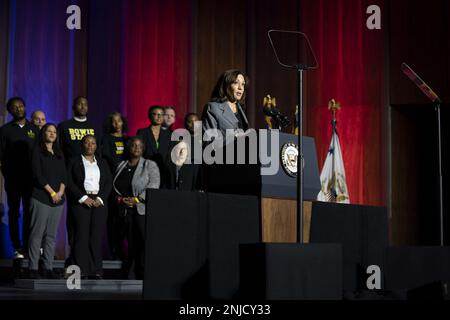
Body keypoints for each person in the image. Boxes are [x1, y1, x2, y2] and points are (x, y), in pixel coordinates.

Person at [57, 96, 97, 268]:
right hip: (72, 178)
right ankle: (73, 257)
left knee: (91, 225)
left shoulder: (94, 127)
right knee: (74, 221)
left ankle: (88, 260)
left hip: (92, 179)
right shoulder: (64, 126)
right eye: (79, 104)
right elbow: (60, 152)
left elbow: (99, 153)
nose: (83, 106)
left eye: (85, 104)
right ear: (73, 107)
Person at [112, 136, 160, 279]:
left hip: (141, 210)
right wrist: (121, 199)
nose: (136, 148)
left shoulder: (149, 165)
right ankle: (130, 272)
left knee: (142, 242)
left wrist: (137, 199)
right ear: (128, 148)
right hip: (123, 210)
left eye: (139, 146)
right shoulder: (121, 165)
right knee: (128, 242)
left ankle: (143, 272)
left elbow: (154, 185)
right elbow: (115, 187)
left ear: (143, 148)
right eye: (133, 145)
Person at [67, 135, 112, 279]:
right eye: (87, 143)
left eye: (93, 143)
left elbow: (108, 183)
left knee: (96, 237)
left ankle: (96, 270)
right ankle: (82, 270)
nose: (90, 145)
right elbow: (69, 181)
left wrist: (100, 198)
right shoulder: (74, 161)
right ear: (82, 145)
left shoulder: (102, 162)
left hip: (99, 202)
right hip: (81, 201)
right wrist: (83, 198)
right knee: (81, 236)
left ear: (96, 146)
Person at [0, 97, 39, 259]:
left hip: (31, 180)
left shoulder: (34, 129)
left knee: (31, 212)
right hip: (13, 180)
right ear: (10, 111)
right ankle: (17, 246)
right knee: (14, 212)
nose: (19, 109)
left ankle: (30, 245)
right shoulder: (5, 130)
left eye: (21, 106)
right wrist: (7, 175)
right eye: (15, 107)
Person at [28, 123, 67, 279]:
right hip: (41, 197)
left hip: (58, 200)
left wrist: (60, 192)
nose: (52, 134)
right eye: (48, 131)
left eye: (54, 132)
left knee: (51, 235)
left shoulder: (59, 153)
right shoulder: (36, 151)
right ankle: (32, 268)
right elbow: (37, 174)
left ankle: (48, 267)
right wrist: (52, 192)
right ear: (43, 133)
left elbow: (64, 175)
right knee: (36, 234)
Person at [101, 112, 128, 259]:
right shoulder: (106, 139)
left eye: (119, 121)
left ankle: (123, 248)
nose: (116, 124)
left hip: (127, 184)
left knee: (125, 218)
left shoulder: (128, 139)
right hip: (112, 183)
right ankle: (113, 250)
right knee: (112, 218)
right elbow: (107, 159)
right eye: (114, 121)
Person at [202, 69, 249, 139]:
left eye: (243, 84)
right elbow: (208, 141)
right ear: (226, 85)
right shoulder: (212, 108)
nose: (240, 88)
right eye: (236, 83)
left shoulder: (240, 109)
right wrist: (234, 138)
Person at [164, 113, 202, 191]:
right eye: (190, 121)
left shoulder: (205, 141)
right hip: (182, 180)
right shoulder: (178, 140)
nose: (193, 124)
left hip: (198, 180)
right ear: (185, 123)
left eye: (196, 121)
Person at [136, 105, 170, 186]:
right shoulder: (142, 132)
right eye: (155, 114)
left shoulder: (169, 134)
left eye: (161, 114)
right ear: (149, 116)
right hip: (147, 171)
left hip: (164, 172)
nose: (159, 117)